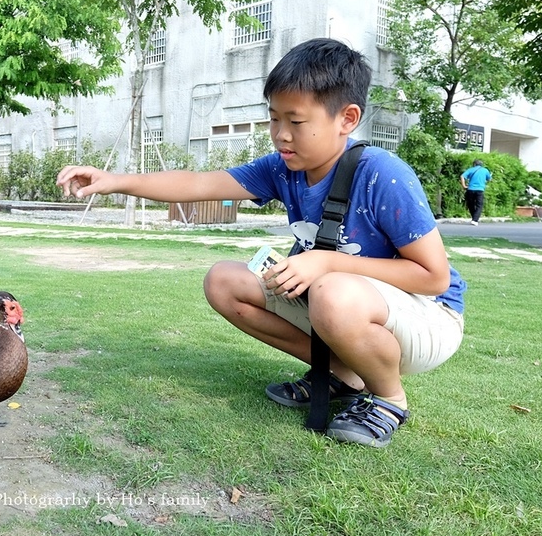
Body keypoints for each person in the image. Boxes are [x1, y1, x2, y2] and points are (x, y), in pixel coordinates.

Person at [56, 38, 466, 448]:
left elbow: (433, 277)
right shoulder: (283, 168)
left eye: (296, 121)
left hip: (428, 319)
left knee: (331, 287)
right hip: (339, 303)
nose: (281, 135)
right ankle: (342, 376)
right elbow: (201, 183)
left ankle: (390, 400)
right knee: (224, 281)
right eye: (274, 119)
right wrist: (116, 182)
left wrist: (325, 263)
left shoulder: (382, 174)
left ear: (347, 118)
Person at [460, 159, 493, 225]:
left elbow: (462, 176)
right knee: (479, 205)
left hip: (470, 189)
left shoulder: (471, 169)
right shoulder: (485, 170)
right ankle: (475, 220)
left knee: (470, 204)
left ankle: (474, 218)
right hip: (480, 190)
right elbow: (489, 179)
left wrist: (464, 185)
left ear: (474, 164)